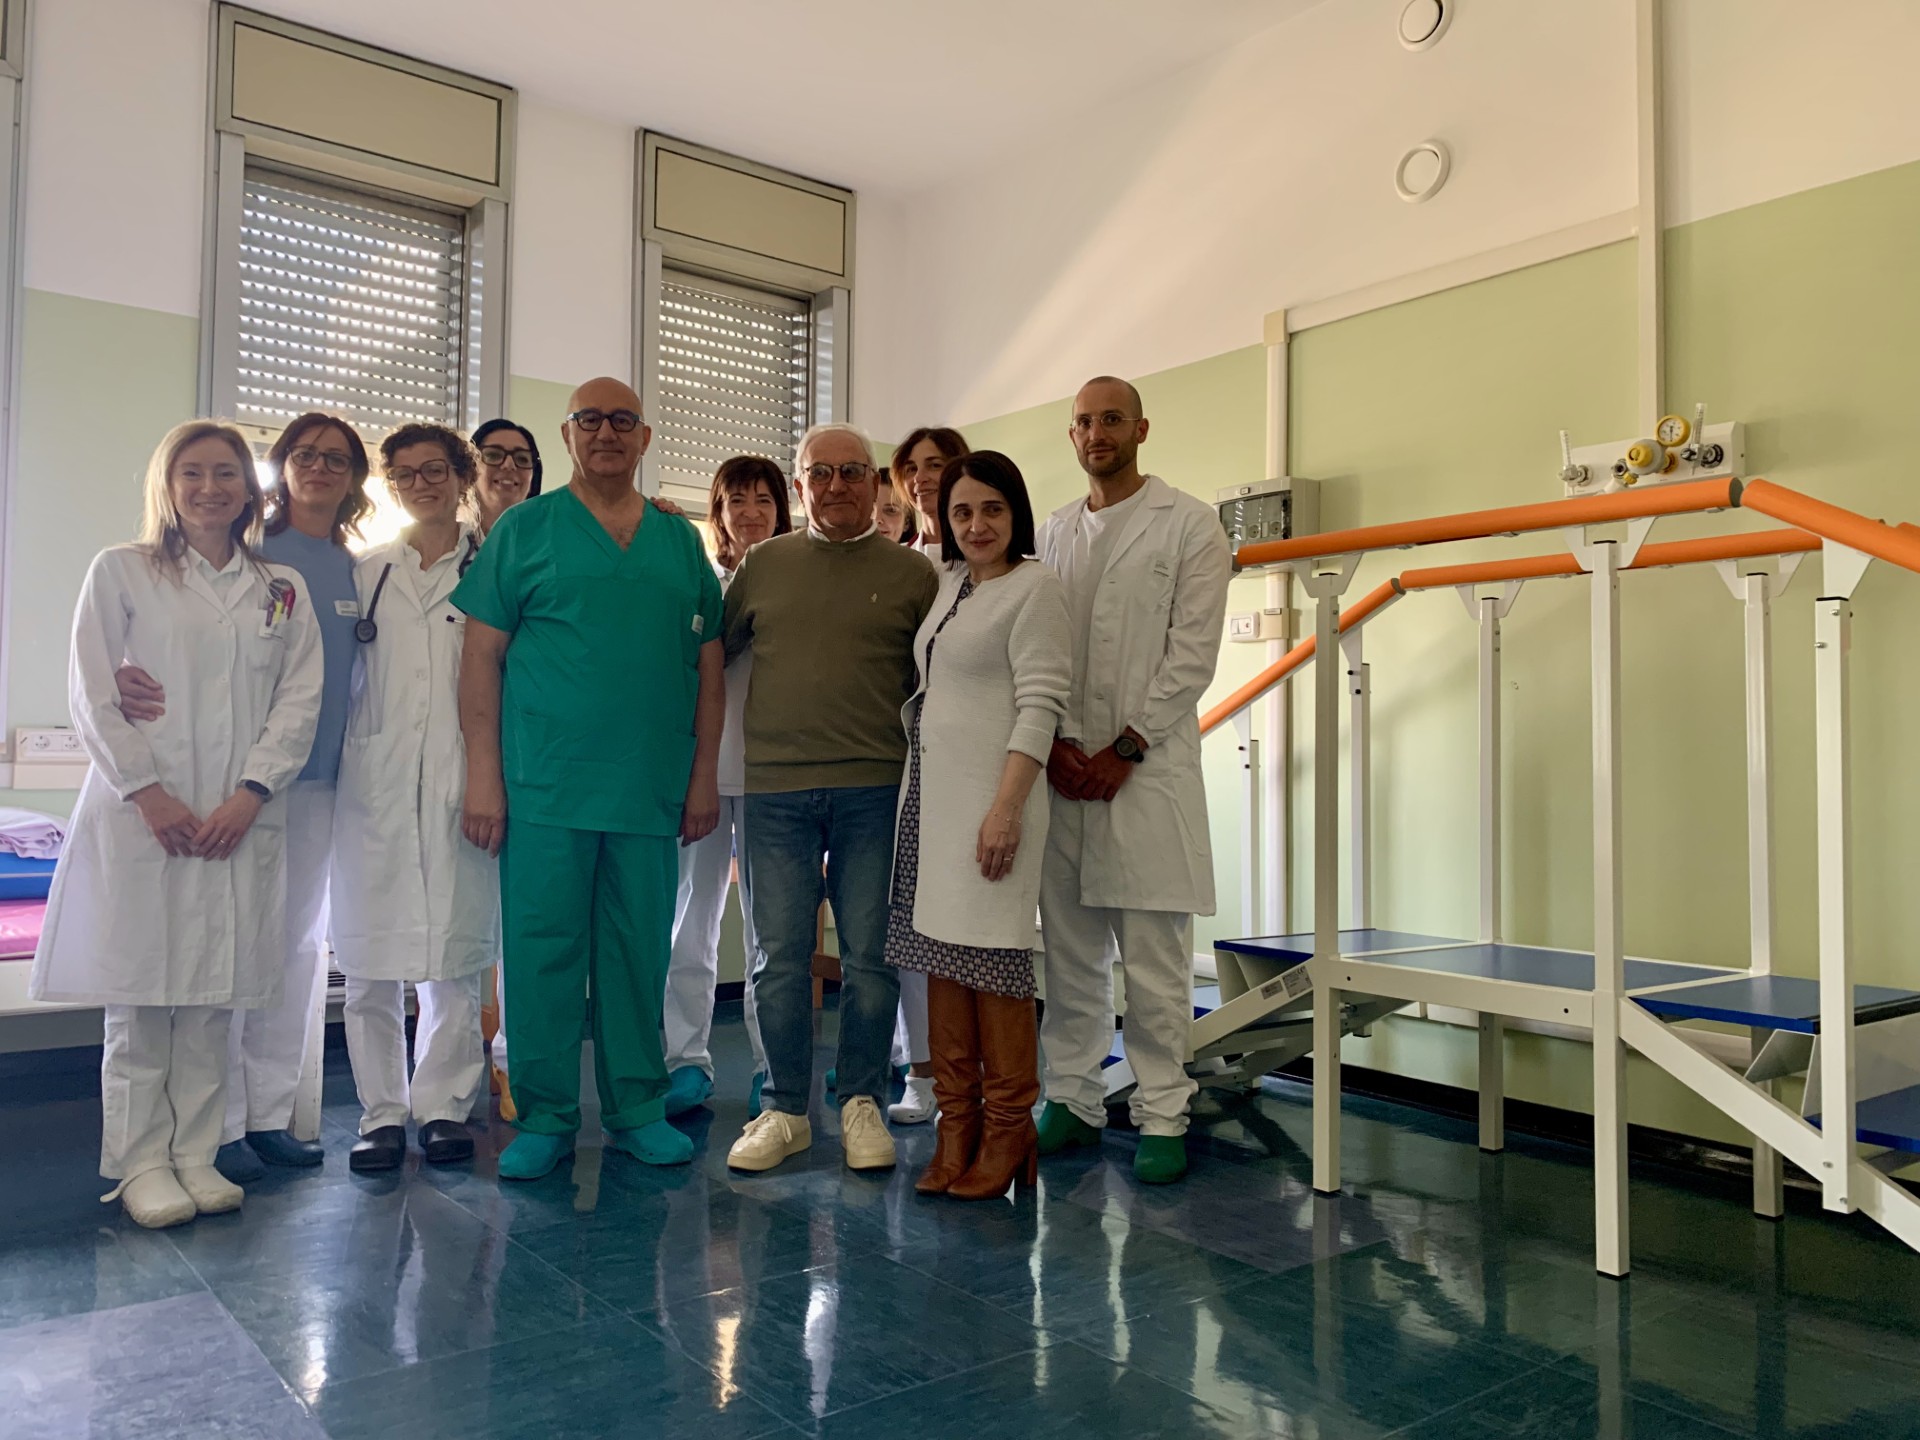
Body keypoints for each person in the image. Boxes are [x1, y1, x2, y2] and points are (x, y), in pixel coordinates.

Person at [30, 421, 323, 1227]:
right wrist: (148, 793)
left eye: (225, 472)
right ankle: (139, 1164)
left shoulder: (281, 587)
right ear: (167, 484)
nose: (209, 488)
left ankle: (195, 1154)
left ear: (249, 488)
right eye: (191, 472)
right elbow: (92, 691)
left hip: (238, 815)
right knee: (141, 999)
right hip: (146, 816)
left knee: (211, 999)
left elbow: (299, 700)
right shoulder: (121, 570)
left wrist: (252, 792)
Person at [454, 377, 724, 1181]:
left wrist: (703, 777)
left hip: (648, 787)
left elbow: (709, 670)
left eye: (623, 420)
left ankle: (637, 1107)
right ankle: (545, 1115)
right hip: (544, 785)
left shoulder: (679, 543)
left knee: (637, 953)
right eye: (590, 420)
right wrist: (484, 777)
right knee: (541, 952)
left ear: (645, 438)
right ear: (567, 435)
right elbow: (481, 659)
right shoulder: (525, 530)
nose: (607, 432)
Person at [115, 412, 368, 1183]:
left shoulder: (361, 569)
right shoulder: (249, 554)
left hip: (318, 782)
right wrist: (118, 678)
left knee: (292, 953)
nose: (319, 468)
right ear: (279, 469)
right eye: (304, 454)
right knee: (227, 954)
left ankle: (268, 1115)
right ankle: (216, 1129)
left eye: (337, 458)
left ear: (355, 477)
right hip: (228, 789)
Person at [721, 424, 939, 1174]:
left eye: (852, 472)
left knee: (871, 959)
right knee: (777, 958)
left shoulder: (913, 576)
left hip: (874, 789)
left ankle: (862, 1103)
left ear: (876, 483)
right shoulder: (763, 564)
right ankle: (784, 1109)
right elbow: (711, 653)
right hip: (773, 791)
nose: (837, 485)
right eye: (821, 473)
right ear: (800, 484)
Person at [1035, 376, 1231, 1185]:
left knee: (1153, 963)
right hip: (1063, 773)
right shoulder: (1051, 532)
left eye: (1111, 419)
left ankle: (1162, 1113)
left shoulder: (1189, 524)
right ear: (1072, 435)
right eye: (1083, 422)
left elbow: (1193, 653)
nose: (1096, 433)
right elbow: (1038, 646)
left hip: (1144, 775)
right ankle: (1073, 1101)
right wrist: (1052, 742)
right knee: (1069, 955)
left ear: (1141, 429)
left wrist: (1126, 746)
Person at [886, 452, 1069, 1199]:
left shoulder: (1036, 587)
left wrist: (1006, 809)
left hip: (992, 807)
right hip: (931, 805)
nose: (977, 524)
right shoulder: (953, 583)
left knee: (994, 967)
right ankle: (955, 1128)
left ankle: (1008, 1130)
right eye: (961, 512)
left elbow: (1041, 703)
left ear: (1015, 512)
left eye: (992, 508)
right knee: (943, 965)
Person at [331, 424, 499, 1172]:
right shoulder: (366, 574)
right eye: (404, 474)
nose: (421, 484)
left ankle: (442, 1108)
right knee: (368, 959)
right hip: (372, 787)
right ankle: (380, 1114)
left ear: (462, 477)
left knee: (453, 953)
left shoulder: (493, 567)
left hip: (464, 780)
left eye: (435, 469)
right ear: (390, 485)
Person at [663, 456, 791, 1121]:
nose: (750, 512)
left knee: (772, 930)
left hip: (775, 778)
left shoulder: (798, 581)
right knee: (692, 920)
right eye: (736, 500)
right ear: (716, 513)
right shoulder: (698, 580)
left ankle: (773, 1066)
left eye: (764, 499)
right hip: (704, 775)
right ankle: (684, 1059)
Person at [892, 426, 968, 565]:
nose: (919, 478)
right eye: (912, 469)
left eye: (934, 465)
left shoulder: (985, 557)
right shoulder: (895, 561)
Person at [471, 417, 543, 537]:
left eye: (522, 458)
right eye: (493, 455)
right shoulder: (448, 539)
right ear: (470, 468)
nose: (509, 465)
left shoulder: (551, 540)